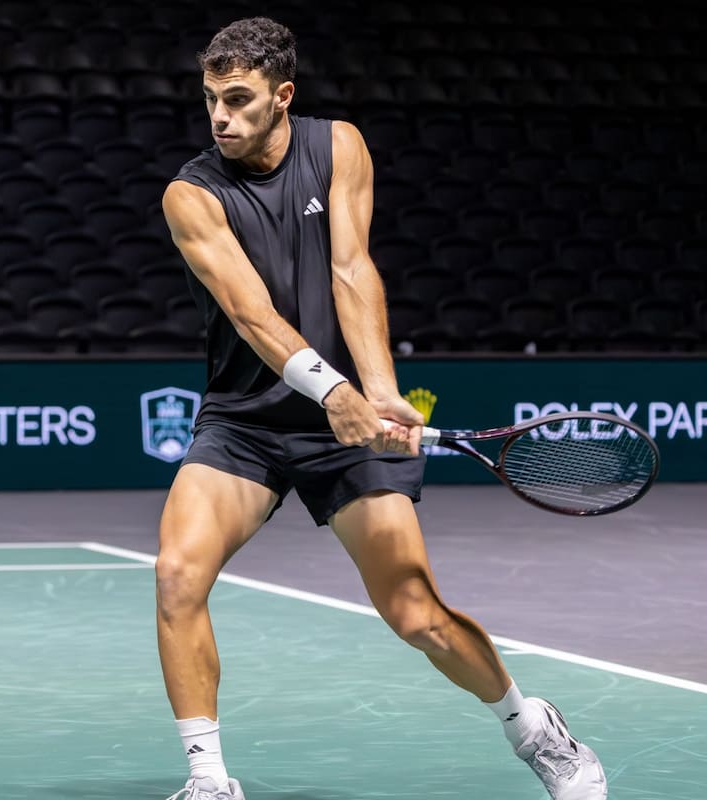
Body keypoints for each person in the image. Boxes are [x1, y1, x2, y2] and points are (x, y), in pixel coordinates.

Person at [156, 17, 607, 800]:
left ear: (282, 96)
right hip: (246, 420)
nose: (220, 116)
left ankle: (534, 729)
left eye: (238, 99)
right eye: (209, 100)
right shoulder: (191, 194)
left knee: (417, 614)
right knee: (176, 576)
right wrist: (332, 390)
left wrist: (380, 388)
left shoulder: (339, 147)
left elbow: (353, 268)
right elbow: (252, 313)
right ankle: (208, 781)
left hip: (352, 420)